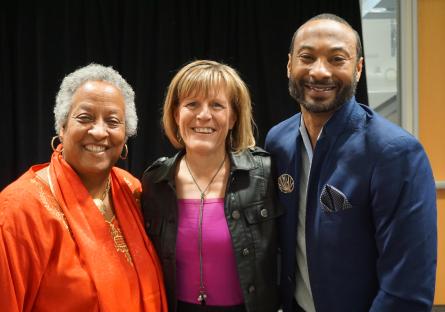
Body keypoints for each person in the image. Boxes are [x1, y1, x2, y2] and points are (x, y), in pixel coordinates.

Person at [265, 13, 437, 312]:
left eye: (337, 59)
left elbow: (407, 288)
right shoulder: (277, 142)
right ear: (289, 64)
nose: (319, 72)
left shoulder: (395, 153)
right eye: (307, 57)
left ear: (358, 69)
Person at [0, 64, 167, 311]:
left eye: (112, 121)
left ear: (125, 134)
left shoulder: (132, 190)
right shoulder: (18, 210)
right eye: (85, 117)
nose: (99, 132)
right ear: (62, 126)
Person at [141, 60, 282, 312]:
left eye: (217, 105)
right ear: (176, 114)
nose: (203, 115)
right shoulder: (155, 181)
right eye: (191, 104)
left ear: (233, 117)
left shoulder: (265, 173)